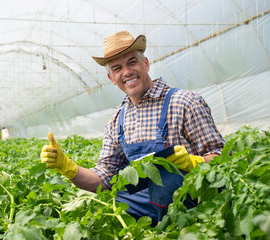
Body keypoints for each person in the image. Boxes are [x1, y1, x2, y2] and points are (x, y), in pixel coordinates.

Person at [40, 31, 225, 225]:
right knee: (103, 206)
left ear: (145, 64)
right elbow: (104, 179)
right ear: (112, 78)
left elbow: (222, 160)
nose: (127, 72)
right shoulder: (117, 120)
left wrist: (194, 163)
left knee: (166, 184)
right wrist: (68, 168)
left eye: (132, 62)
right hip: (145, 205)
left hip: (190, 202)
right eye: (117, 68)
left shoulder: (184, 102)